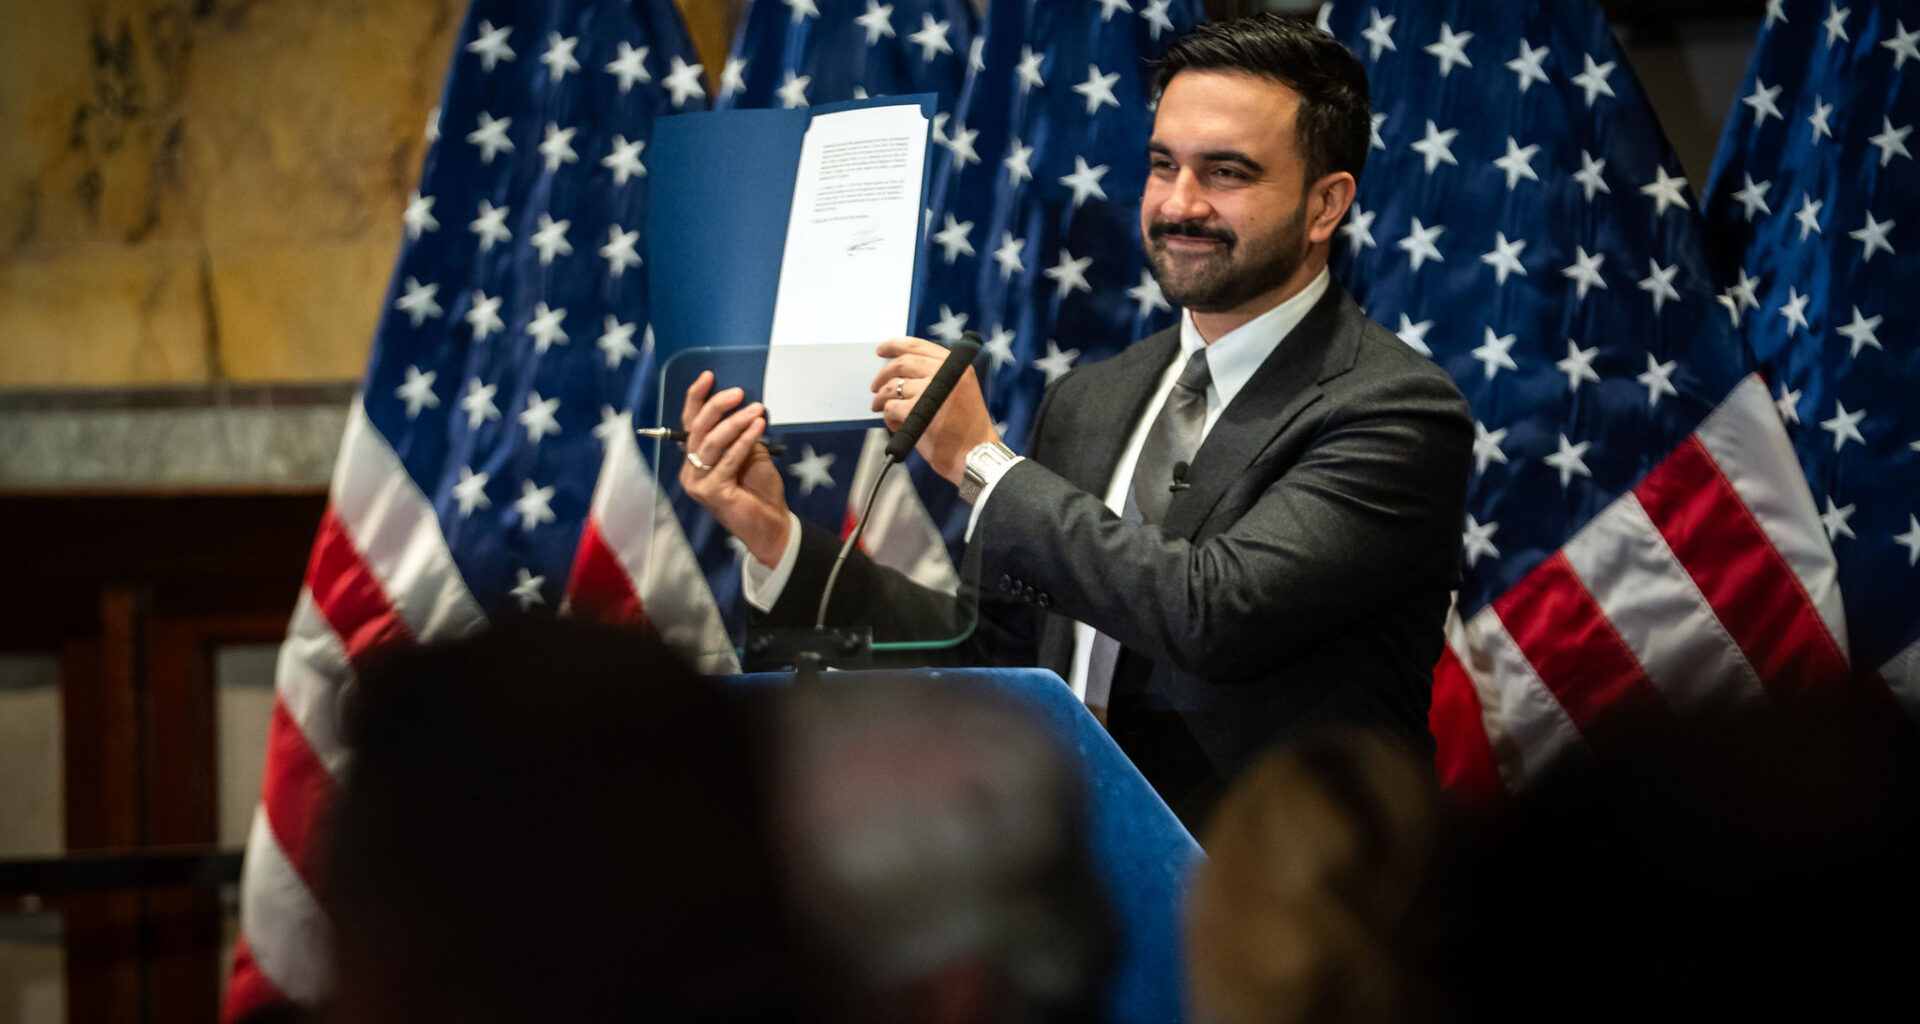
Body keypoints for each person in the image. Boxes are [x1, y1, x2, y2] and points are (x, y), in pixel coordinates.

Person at [678, 13, 1473, 830]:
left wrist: (983, 463)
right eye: (1163, 165)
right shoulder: (1093, 399)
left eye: (1227, 173)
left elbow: (1217, 615)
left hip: (1282, 923)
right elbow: (992, 661)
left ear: (1325, 205)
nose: (1179, 204)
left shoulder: (1393, 409)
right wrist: (776, 539)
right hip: (1082, 900)